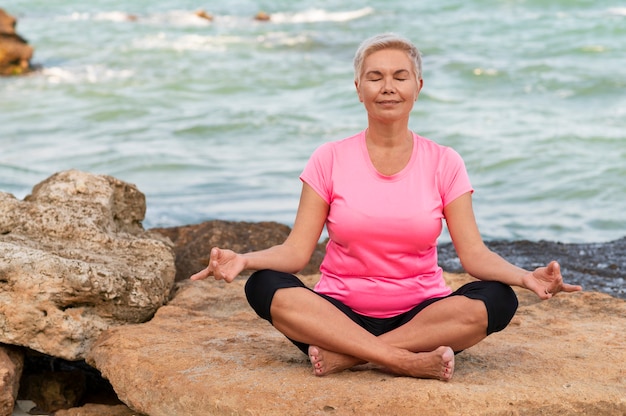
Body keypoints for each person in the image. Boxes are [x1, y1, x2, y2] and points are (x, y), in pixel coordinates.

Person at [190, 33, 582, 381]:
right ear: (359, 88)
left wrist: (525, 277)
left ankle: (349, 357)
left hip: (422, 317)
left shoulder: (445, 161)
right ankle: (404, 361)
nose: (388, 87)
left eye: (400, 76)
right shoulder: (328, 158)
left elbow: (474, 254)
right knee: (264, 284)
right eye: (375, 77)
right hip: (336, 315)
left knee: (499, 298)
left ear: (418, 86)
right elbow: (295, 253)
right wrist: (244, 259)